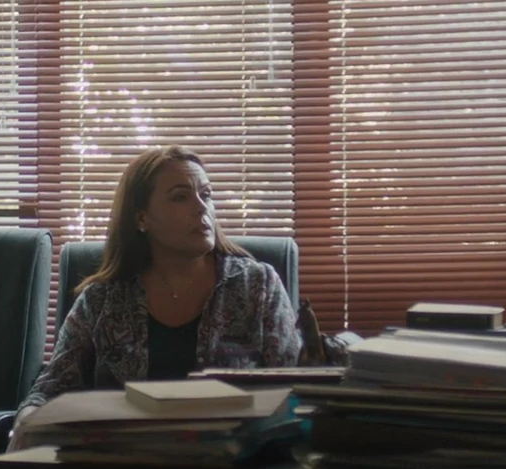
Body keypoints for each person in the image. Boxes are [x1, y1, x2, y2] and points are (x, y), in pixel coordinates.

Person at [20, 145, 303, 414]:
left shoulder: (257, 285)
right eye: (180, 197)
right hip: (125, 446)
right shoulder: (101, 299)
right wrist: (27, 419)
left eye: (206, 195)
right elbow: (50, 389)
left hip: (235, 445)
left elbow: (296, 386)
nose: (201, 208)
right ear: (142, 219)